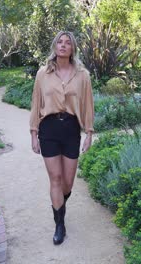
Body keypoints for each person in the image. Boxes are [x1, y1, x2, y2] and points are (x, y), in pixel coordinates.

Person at [29, 31, 94, 245]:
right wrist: (34, 133)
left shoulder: (82, 75)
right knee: (55, 179)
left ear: (73, 48)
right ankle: (60, 225)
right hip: (48, 128)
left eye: (68, 43)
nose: (63, 45)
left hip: (71, 129)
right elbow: (36, 103)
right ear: (55, 46)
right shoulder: (43, 73)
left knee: (67, 183)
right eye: (60, 42)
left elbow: (87, 105)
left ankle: (60, 205)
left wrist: (89, 133)